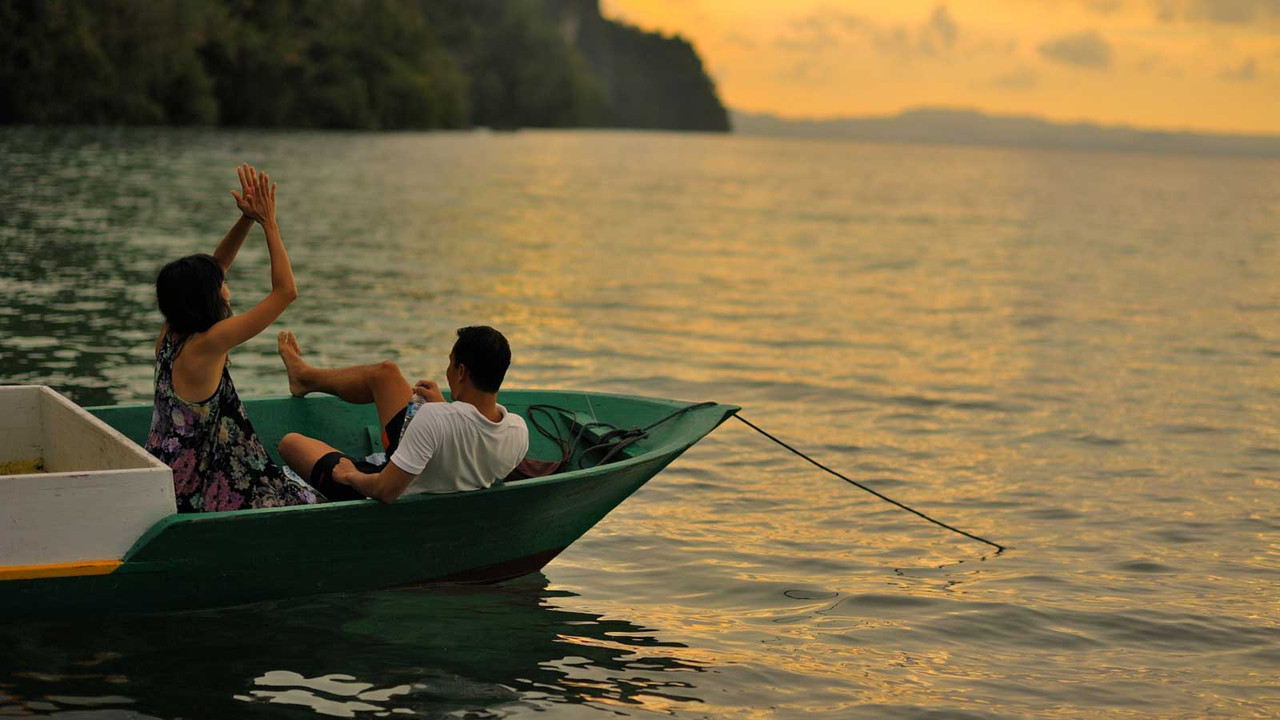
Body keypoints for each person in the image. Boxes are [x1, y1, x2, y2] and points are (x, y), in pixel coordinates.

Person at [145, 164, 320, 512]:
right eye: (221, 285)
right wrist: (269, 223)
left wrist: (247, 220)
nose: (226, 284)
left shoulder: (171, 334)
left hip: (167, 473)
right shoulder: (209, 344)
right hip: (201, 487)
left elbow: (215, 267)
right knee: (305, 495)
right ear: (207, 298)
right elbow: (286, 291)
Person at [275, 326, 529, 503]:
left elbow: (385, 491)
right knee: (387, 373)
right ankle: (304, 378)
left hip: (383, 490)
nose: (447, 371)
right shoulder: (518, 430)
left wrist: (350, 475)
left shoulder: (434, 418)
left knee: (291, 444)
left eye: (450, 363)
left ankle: (304, 379)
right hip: (428, 472)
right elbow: (472, 444)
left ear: (461, 371)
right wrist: (445, 406)